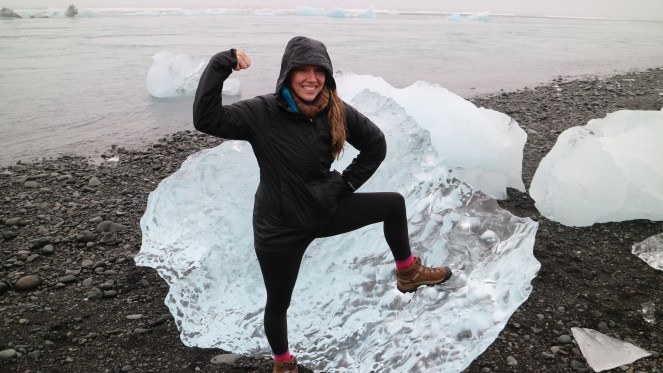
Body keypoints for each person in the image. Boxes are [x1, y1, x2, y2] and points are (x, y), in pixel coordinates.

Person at [193, 36, 452, 373]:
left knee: (392, 205)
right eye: (303, 70)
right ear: (288, 73)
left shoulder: (335, 109)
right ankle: (283, 364)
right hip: (280, 228)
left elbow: (375, 144)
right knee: (278, 303)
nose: (311, 78)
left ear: (327, 76)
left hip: (324, 212)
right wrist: (221, 63)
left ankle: (407, 272)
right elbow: (206, 119)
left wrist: (345, 184)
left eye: (319, 71)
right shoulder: (263, 112)